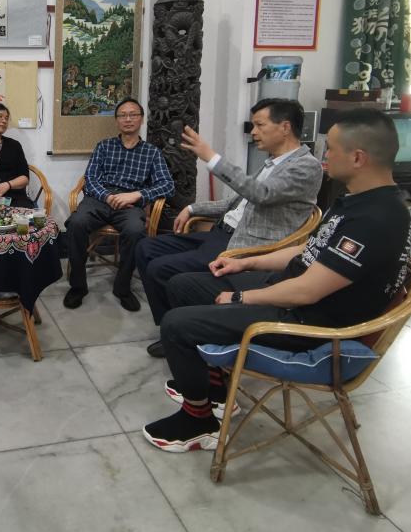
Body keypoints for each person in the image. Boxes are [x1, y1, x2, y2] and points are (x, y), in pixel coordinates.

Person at [142, 108, 411, 453]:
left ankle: (198, 421)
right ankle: (215, 391)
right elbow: (307, 249)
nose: (325, 156)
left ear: (358, 158)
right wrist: (245, 262)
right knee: (183, 286)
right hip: (290, 295)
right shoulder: (356, 201)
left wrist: (241, 299)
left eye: (330, 149)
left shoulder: (376, 219)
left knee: (177, 325)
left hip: (310, 324)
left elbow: (307, 290)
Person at [137, 98, 323, 357]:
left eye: (259, 125)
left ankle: (181, 331)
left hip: (245, 246)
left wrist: (211, 157)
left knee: (160, 268)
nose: (253, 132)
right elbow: (233, 204)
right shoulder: (272, 162)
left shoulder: (306, 166)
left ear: (285, 127)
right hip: (220, 232)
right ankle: (170, 325)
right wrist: (192, 208)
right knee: (145, 247)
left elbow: (260, 194)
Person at [64, 97, 175, 312]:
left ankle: (123, 288)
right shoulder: (104, 146)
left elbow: (167, 185)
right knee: (76, 223)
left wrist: (136, 195)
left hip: (130, 204)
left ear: (141, 119)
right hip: (99, 200)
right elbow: (91, 178)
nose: (128, 119)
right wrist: (107, 196)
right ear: (116, 120)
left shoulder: (152, 152)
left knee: (135, 230)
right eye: (123, 115)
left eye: (133, 114)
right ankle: (78, 287)